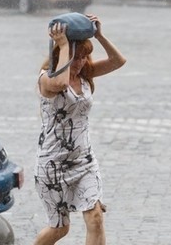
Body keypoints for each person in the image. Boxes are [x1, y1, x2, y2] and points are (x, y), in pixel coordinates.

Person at [34, 14, 126, 245]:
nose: (82, 63)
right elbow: (61, 83)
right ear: (61, 54)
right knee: (60, 229)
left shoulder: (85, 74)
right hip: (53, 164)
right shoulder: (46, 79)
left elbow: (118, 61)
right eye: (77, 57)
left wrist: (100, 36)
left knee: (95, 218)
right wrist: (63, 44)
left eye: (85, 57)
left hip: (84, 161)